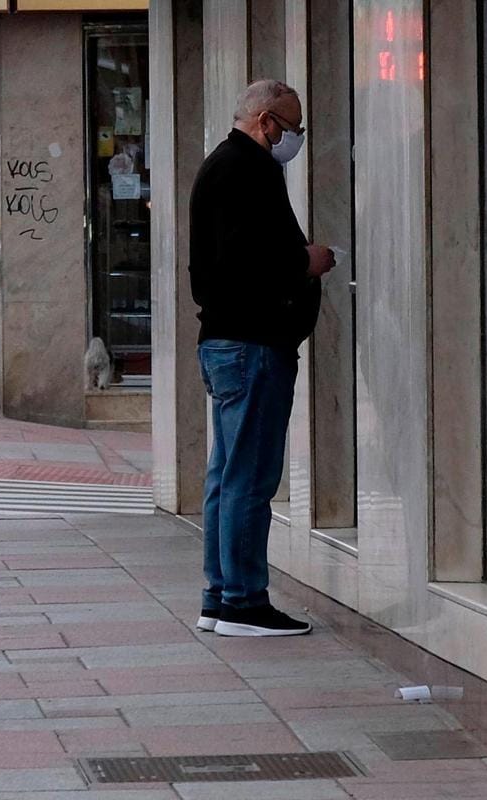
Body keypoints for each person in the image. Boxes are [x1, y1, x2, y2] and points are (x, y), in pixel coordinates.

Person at [188, 80, 335, 638]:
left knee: (227, 476)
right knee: (248, 478)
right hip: (250, 345)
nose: (295, 138)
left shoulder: (227, 166)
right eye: (293, 127)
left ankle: (219, 594)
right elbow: (242, 262)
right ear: (267, 122)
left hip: (232, 343)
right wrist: (306, 260)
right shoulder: (243, 169)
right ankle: (243, 603)